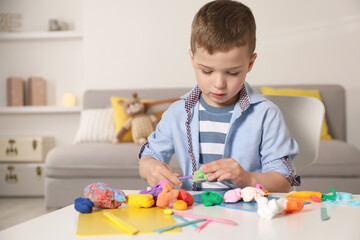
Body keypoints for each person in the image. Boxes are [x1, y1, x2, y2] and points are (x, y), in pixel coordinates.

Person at [138, 0, 299, 192]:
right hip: (194, 211)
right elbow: (149, 157)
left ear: (250, 63)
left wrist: (245, 178)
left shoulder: (266, 115)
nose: (219, 84)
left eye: (232, 73)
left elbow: (283, 181)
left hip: (249, 215)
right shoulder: (178, 112)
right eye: (207, 71)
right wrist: (150, 167)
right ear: (192, 59)